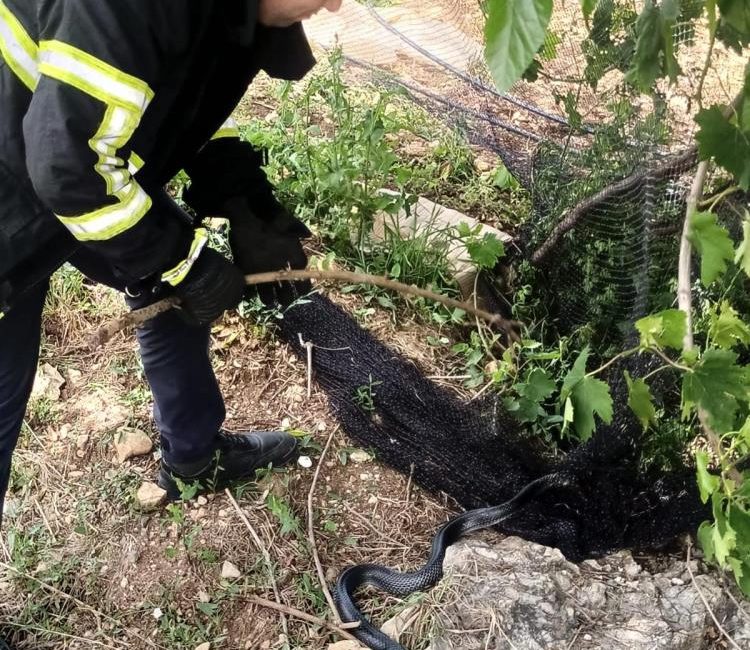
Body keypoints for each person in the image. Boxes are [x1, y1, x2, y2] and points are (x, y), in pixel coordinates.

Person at [0, 0, 344, 520]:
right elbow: (66, 168)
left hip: (53, 151)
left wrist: (237, 193)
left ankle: (193, 456)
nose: (335, 4)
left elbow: (176, 94)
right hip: (23, 191)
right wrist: (179, 257)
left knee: (171, 283)